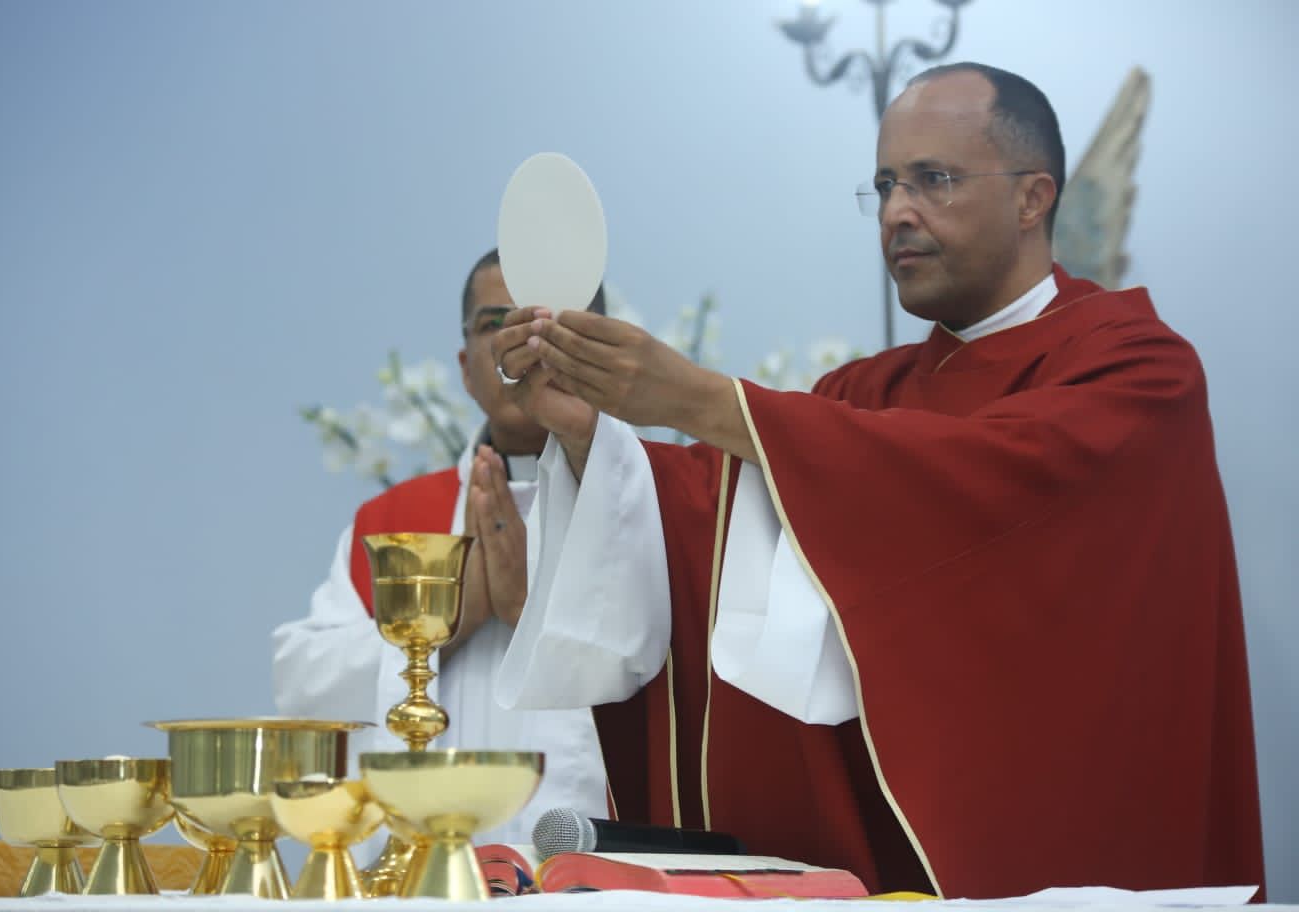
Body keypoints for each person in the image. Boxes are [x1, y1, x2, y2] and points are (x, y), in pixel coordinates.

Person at [487, 64, 1265, 899]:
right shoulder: (863, 395)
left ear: (1034, 198)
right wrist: (585, 434)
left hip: (1069, 837)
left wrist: (703, 398)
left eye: (934, 180)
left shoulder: (1137, 370)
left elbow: (984, 487)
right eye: (887, 185)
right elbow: (706, 522)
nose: (898, 211)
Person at [271, 248, 610, 846]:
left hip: (607, 885)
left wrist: (541, 611)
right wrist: (447, 616)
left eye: (549, 319)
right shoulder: (395, 523)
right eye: (494, 323)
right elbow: (303, 687)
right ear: (465, 366)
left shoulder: (663, 507)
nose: (521, 341)